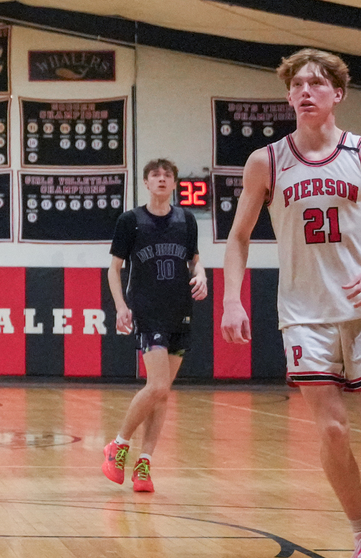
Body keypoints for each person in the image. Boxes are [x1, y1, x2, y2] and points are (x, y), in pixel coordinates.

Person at [222, 48, 361, 558]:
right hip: (302, 316)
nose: (305, 92)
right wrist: (232, 298)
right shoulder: (265, 161)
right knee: (334, 431)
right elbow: (238, 236)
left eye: (316, 84)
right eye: (297, 85)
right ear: (289, 95)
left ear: (337, 93)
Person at [102, 158, 206, 494]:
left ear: (174, 182)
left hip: (181, 309)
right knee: (158, 385)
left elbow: (194, 258)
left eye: (167, 175)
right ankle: (118, 445)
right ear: (146, 183)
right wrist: (120, 306)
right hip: (147, 309)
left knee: (162, 392)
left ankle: (144, 463)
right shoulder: (131, 221)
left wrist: (201, 272)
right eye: (155, 175)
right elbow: (113, 269)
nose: (161, 179)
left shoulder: (186, 220)